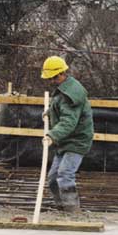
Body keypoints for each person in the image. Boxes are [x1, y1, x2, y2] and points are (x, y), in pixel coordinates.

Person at [41, 56, 94, 212]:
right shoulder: (63, 88)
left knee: (65, 174)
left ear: (60, 74)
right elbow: (58, 105)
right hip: (65, 140)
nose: (50, 81)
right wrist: (49, 112)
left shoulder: (71, 94)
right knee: (52, 178)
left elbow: (69, 122)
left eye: (51, 78)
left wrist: (52, 135)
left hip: (76, 141)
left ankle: (72, 210)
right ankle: (61, 207)